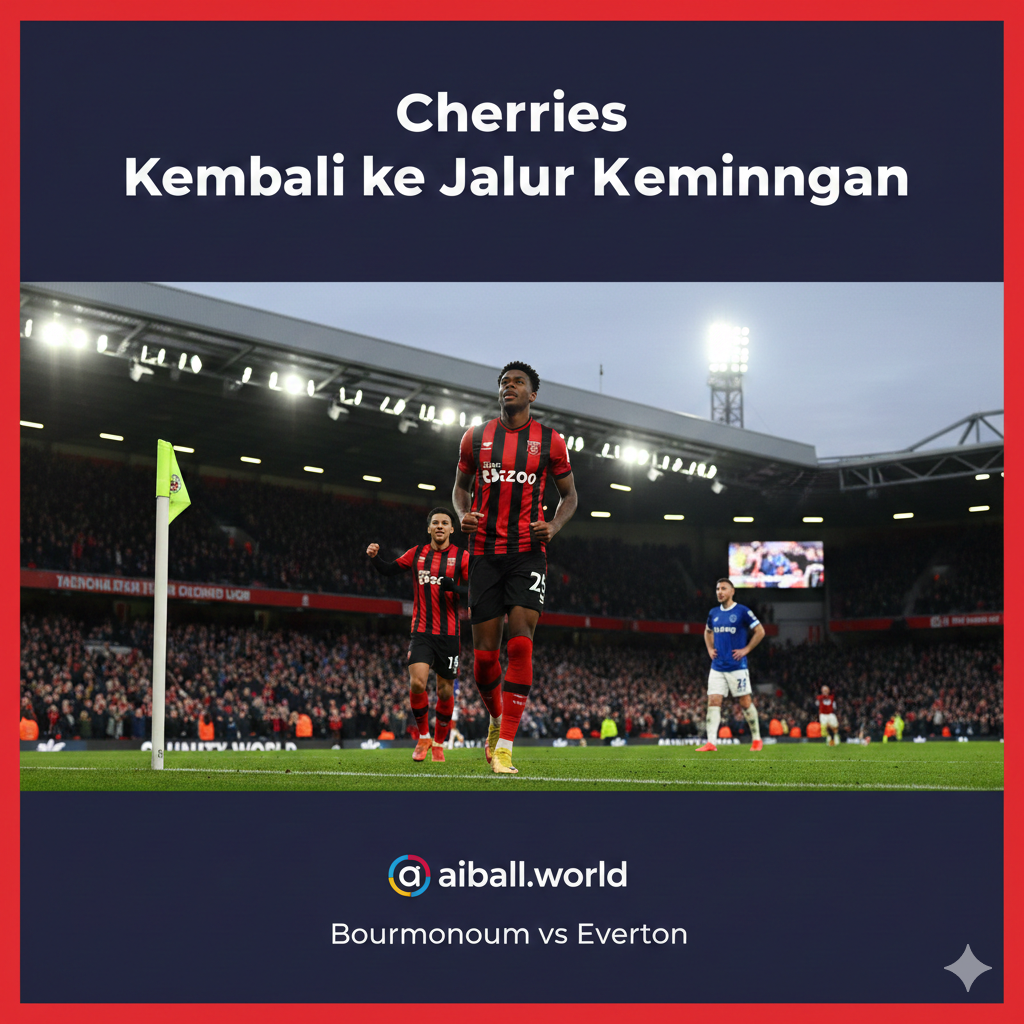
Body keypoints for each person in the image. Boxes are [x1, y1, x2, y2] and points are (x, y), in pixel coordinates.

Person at [452, 361, 578, 774]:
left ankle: (505, 747)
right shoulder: (475, 437)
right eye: (505, 382)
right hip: (484, 553)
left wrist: (553, 526)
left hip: (527, 552)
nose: (510, 386)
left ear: (532, 395)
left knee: (520, 644)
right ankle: (495, 719)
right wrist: (463, 515)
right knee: (484, 661)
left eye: (518, 382)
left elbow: (570, 497)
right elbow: (460, 489)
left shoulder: (550, 440)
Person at [367, 507, 470, 763]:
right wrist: (375, 558)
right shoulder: (417, 553)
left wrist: (455, 588)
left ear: (452, 529)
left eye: (444, 523)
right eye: (435, 523)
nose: (440, 526)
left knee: (445, 692)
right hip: (421, 631)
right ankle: (424, 737)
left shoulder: (462, 557)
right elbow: (389, 569)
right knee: (417, 683)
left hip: (450, 634)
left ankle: (439, 743)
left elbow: (476, 590)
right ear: (429, 528)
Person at [696, 577, 766, 753]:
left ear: (732, 591)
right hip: (717, 666)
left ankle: (757, 739)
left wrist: (746, 649)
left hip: (737, 667)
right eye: (717, 589)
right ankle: (711, 742)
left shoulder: (742, 611)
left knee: (745, 702)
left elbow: (760, 631)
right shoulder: (713, 613)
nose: (719, 592)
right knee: (713, 701)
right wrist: (709, 648)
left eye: (723, 588)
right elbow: (707, 632)